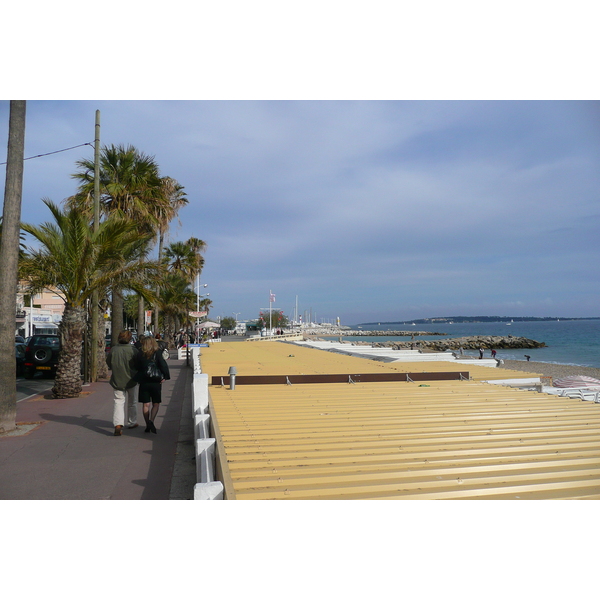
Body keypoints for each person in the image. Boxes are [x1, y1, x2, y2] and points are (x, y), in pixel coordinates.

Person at [106, 330, 140, 436]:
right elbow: (138, 364)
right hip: (131, 379)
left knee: (118, 401)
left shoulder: (114, 350)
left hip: (117, 379)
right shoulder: (133, 350)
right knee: (132, 402)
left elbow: (108, 362)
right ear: (129, 339)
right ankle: (132, 422)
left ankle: (118, 424)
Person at [135, 336, 170, 433]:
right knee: (156, 403)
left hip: (144, 381)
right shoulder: (157, 353)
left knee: (145, 404)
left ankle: (147, 424)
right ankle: (151, 421)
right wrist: (165, 377)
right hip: (155, 381)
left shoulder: (140, 354)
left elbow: (136, 366)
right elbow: (163, 365)